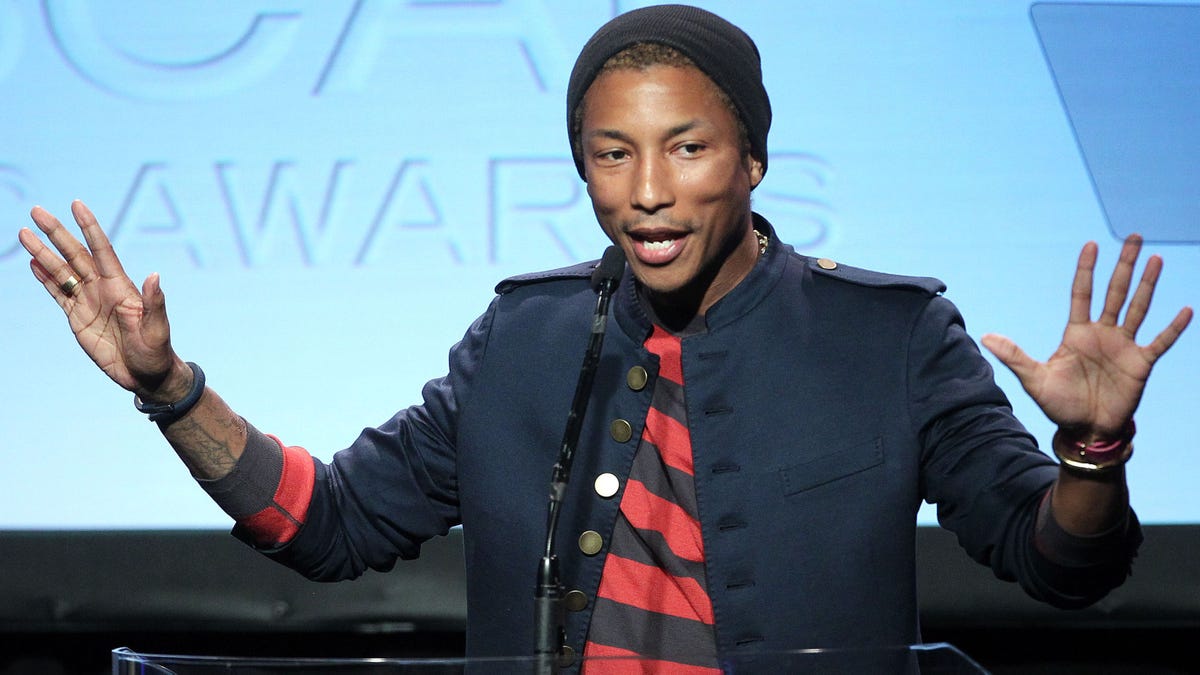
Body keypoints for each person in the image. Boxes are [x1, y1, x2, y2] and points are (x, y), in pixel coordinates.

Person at [18, 4, 1193, 672]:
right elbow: (330, 525)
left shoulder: (890, 336)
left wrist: (1093, 453)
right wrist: (169, 388)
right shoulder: (519, 338)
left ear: (753, 160)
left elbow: (1058, 565)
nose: (645, 192)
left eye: (687, 148)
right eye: (610, 153)